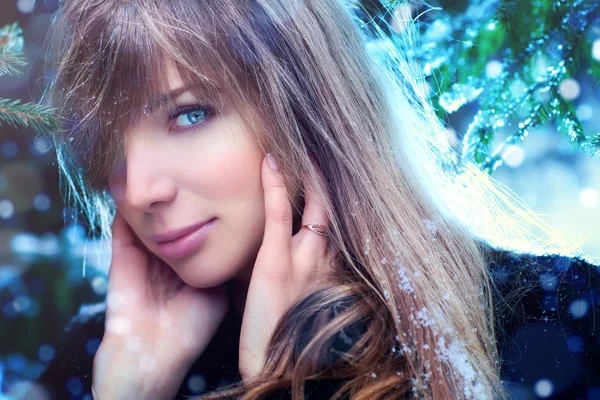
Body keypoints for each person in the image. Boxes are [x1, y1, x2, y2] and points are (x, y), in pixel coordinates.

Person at [18, 0, 600, 399]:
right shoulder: (99, 359)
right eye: (106, 145)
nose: (140, 189)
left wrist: (293, 379)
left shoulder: (558, 317)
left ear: (303, 107)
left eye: (189, 114)